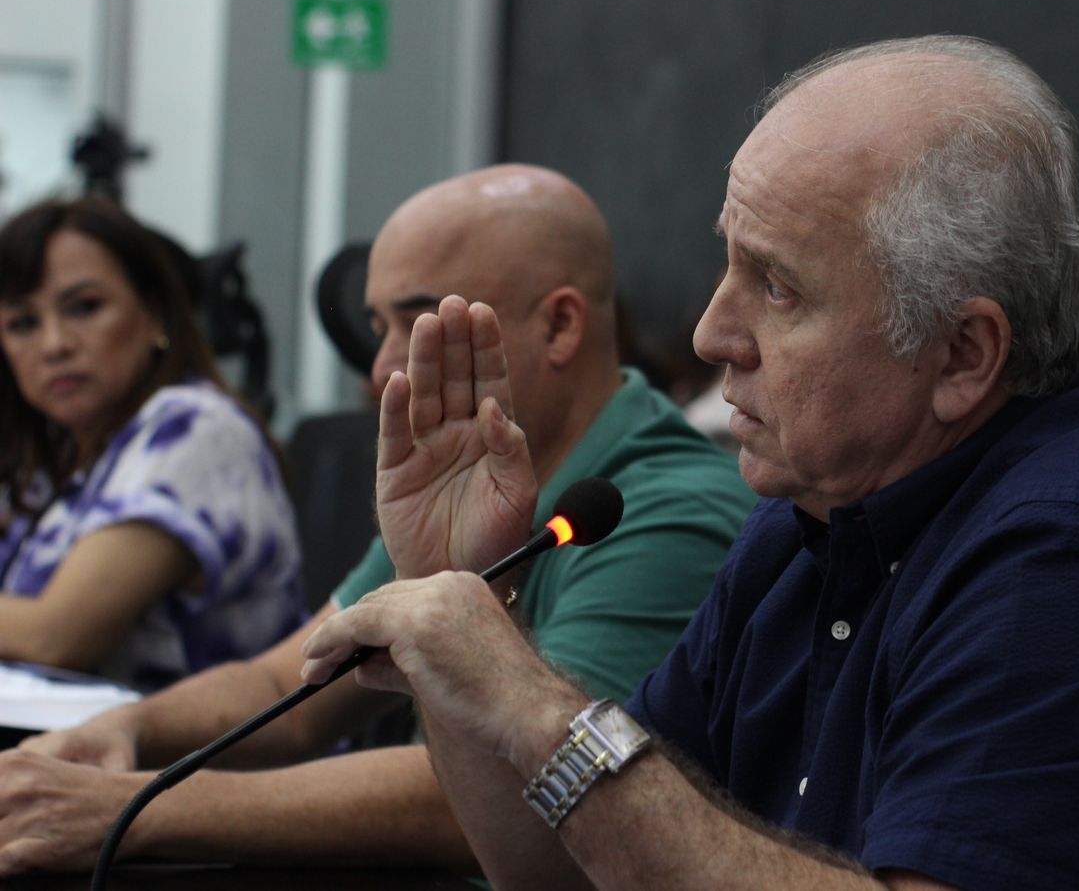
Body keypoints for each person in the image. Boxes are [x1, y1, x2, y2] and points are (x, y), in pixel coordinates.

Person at [297, 37, 1079, 889]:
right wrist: (464, 625)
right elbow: (554, 870)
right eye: (728, 266)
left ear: (962, 354)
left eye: (776, 286)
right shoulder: (806, 524)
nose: (716, 331)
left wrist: (538, 708)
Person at [0, 166, 752, 875]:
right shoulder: (473, 481)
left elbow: (531, 794)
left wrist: (136, 806)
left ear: (558, 327)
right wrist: (129, 733)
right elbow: (289, 689)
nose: (380, 368)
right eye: (375, 326)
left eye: (418, 323)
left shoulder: (664, 508)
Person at [0, 196, 300, 689]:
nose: (54, 344)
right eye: (22, 324)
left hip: (201, 763)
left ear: (155, 313)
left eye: (85, 308)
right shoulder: (59, 458)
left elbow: (59, 637)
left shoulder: (196, 427)